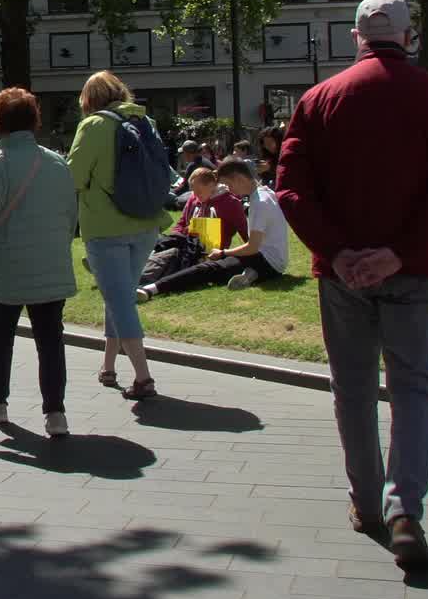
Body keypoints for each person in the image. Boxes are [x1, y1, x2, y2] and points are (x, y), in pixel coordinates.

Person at [274, 0, 428, 574]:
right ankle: (405, 507)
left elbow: (290, 187)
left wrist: (337, 252)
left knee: (352, 387)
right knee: (413, 386)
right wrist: (400, 252)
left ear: (355, 36)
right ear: (408, 36)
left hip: (343, 273)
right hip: (414, 268)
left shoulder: (317, 100)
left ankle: (366, 500)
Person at [0, 88, 77, 438]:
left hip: (4, 267)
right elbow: (70, 217)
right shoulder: (57, 164)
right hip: (49, 264)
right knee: (51, 340)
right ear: (35, 121)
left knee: (0, 337)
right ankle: (56, 413)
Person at [68, 70, 173, 401]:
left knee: (119, 298)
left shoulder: (94, 125)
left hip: (105, 225)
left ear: (89, 100)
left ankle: (143, 376)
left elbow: (74, 176)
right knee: (120, 294)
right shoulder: (146, 122)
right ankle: (108, 365)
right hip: (145, 222)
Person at [138, 159, 287, 301]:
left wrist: (223, 252)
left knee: (208, 269)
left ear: (238, 178)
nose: (229, 189)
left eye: (228, 184)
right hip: (271, 261)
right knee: (214, 267)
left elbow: (252, 247)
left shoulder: (259, 203)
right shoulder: (266, 193)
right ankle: (251, 273)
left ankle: (151, 289)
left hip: (266, 260)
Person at [136, 166, 249, 286]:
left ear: (212, 185)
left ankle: (138, 278)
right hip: (185, 241)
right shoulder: (194, 199)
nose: (195, 195)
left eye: (198, 191)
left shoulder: (231, 203)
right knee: (155, 240)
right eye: (193, 191)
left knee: (169, 254)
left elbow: (245, 233)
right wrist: (179, 234)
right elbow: (181, 224)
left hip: (204, 252)